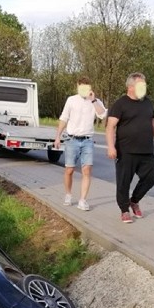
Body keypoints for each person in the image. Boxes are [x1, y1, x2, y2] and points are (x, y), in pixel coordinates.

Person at [105, 73, 154, 224]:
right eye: (141, 85)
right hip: (125, 150)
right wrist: (111, 146)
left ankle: (134, 200)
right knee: (124, 182)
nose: (143, 88)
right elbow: (110, 126)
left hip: (146, 150)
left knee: (151, 176)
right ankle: (124, 210)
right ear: (130, 87)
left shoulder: (147, 103)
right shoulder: (120, 104)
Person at [54, 77, 108, 211]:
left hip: (87, 140)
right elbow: (64, 118)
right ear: (77, 86)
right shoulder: (71, 100)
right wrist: (57, 137)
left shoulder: (95, 101)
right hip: (72, 139)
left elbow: (102, 115)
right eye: (81, 87)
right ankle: (68, 194)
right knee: (69, 170)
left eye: (87, 87)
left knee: (87, 170)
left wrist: (94, 100)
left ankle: (83, 200)